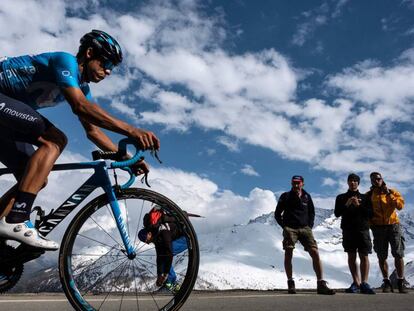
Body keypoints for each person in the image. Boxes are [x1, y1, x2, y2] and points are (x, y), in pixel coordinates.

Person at [0, 30, 159, 250]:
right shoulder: (65, 61)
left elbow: (93, 132)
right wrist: (131, 130)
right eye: (106, 63)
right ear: (90, 53)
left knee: (35, 177)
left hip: (5, 122)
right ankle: (16, 219)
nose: (108, 72)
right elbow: (80, 106)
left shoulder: (82, 87)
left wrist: (128, 158)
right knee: (55, 140)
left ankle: (5, 224)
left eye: (112, 67)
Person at [275, 175, 335, 295]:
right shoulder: (285, 196)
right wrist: (285, 227)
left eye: (298, 183)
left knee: (315, 252)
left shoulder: (307, 197)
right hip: (290, 229)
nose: (296, 185)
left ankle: (321, 284)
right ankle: (290, 283)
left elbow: (311, 212)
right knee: (288, 253)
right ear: (291, 183)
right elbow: (277, 213)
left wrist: (310, 225)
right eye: (294, 183)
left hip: (305, 229)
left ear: (303, 183)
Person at [366, 172, 407, 293]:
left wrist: (388, 194)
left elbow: (399, 206)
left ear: (382, 179)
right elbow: (366, 211)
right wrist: (371, 223)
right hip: (378, 228)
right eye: (373, 179)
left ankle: (400, 282)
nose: (376, 181)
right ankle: (387, 282)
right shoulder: (369, 195)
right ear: (371, 181)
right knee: (381, 255)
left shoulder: (392, 192)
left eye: (378, 179)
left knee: (398, 254)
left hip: (393, 225)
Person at [334, 173, 375, 294]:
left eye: (355, 181)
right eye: (350, 181)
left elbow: (370, 214)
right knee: (351, 256)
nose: (353, 183)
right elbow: (337, 213)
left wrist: (358, 205)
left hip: (363, 229)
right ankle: (356, 282)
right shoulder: (341, 197)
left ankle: (364, 283)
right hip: (348, 229)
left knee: (364, 255)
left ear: (358, 183)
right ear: (347, 182)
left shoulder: (366, 197)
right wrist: (346, 205)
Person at [138, 206, 187, 293]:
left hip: (185, 239)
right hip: (178, 238)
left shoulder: (162, 230)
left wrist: (165, 274)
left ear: (149, 234)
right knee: (162, 255)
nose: (147, 243)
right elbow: (159, 256)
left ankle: (170, 282)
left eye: (146, 240)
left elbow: (168, 252)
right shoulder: (155, 236)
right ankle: (172, 285)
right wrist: (159, 274)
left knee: (166, 255)